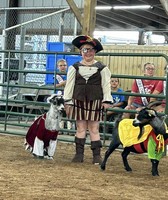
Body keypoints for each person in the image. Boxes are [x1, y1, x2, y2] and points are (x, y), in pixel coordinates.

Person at [63, 35, 113, 165]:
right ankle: (79, 155)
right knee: (80, 127)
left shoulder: (102, 68)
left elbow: (106, 85)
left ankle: (97, 156)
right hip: (78, 100)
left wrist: (106, 100)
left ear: (95, 52)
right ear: (81, 52)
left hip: (95, 101)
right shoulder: (74, 67)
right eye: (85, 50)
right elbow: (69, 85)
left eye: (90, 50)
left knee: (94, 128)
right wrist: (67, 101)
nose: (88, 53)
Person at [55, 59, 72, 131]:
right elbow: (54, 86)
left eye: (64, 65)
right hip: (60, 96)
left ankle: (69, 128)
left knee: (69, 111)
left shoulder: (69, 75)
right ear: (57, 67)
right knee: (61, 111)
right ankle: (61, 128)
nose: (63, 67)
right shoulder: (56, 75)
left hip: (68, 95)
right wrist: (62, 84)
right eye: (61, 65)